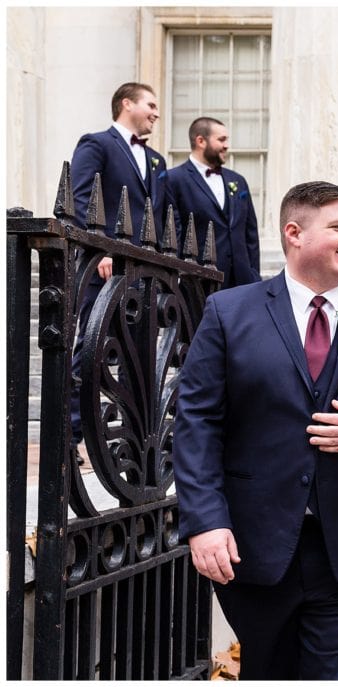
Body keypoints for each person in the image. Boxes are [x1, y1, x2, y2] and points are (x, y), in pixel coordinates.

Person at [173, 181, 338, 680]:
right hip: (255, 544)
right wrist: (204, 520)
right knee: (269, 672)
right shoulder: (229, 311)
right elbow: (197, 422)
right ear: (294, 234)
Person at [69, 82, 168, 458]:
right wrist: (101, 248)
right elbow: (83, 199)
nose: (156, 113)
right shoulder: (96, 144)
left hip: (145, 274)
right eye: (151, 105)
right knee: (90, 351)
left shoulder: (156, 160)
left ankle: (130, 444)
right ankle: (71, 437)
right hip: (105, 267)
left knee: (138, 358)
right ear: (127, 103)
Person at [166, 117, 261, 287]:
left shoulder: (238, 180)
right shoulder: (174, 180)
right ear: (201, 141)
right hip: (199, 281)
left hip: (242, 281)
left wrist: (254, 276)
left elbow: (250, 234)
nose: (226, 145)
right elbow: (174, 233)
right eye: (221, 139)